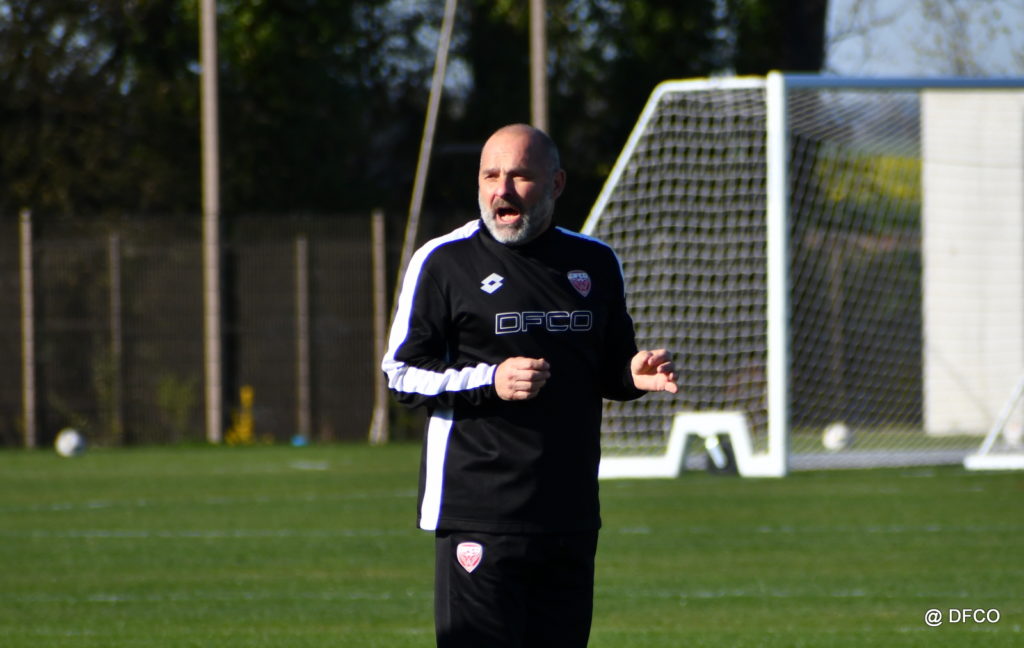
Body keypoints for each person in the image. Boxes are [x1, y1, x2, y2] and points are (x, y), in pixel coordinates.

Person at [382, 123, 677, 648]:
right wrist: (492, 379)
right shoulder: (443, 261)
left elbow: (608, 365)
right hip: (479, 509)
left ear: (556, 184)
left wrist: (630, 375)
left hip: (569, 511)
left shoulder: (596, 262)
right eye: (490, 175)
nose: (502, 190)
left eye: (520, 176)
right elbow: (401, 373)